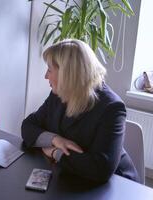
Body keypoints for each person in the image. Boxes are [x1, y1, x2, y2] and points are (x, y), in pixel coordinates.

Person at [21, 39, 140, 183]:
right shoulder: (58, 94)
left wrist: (55, 152)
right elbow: (28, 126)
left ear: (67, 74)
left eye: (49, 70)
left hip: (119, 186)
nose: (46, 76)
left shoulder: (111, 107)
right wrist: (55, 140)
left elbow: (100, 168)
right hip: (73, 176)